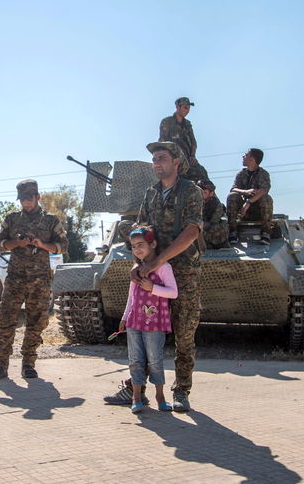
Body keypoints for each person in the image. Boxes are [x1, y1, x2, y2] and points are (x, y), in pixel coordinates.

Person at [103, 141, 202, 412]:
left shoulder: (189, 192)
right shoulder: (151, 193)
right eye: (155, 160)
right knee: (144, 333)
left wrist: (158, 260)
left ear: (176, 161)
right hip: (150, 273)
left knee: (184, 335)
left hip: (182, 272)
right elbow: (141, 230)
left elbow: (193, 230)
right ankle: (136, 390)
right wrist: (139, 262)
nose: (157, 164)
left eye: (162, 159)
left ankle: (181, 392)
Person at [0, 180, 68, 380]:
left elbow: (64, 245)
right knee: (6, 320)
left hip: (40, 279)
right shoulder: (12, 219)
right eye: (22, 199)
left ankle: (28, 363)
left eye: (29, 198)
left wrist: (43, 244)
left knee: (36, 322)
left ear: (37, 197)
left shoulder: (51, 220)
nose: (26, 202)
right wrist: (18, 242)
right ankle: (1, 365)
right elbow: (0, 242)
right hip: (15, 278)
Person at [120, 226, 178, 413]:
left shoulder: (164, 267)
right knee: (135, 359)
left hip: (154, 323)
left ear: (152, 244)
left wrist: (152, 287)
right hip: (134, 321)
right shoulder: (135, 269)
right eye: (133, 246)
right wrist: (125, 316)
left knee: (154, 360)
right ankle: (136, 398)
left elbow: (173, 292)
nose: (137, 249)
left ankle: (160, 396)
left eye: (140, 244)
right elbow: (131, 296)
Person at [227, 148, 273, 245]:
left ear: (252, 159)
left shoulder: (263, 174)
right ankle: (232, 232)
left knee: (266, 198)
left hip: (258, 211)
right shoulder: (241, 174)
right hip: (242, 212)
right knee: (232, 196)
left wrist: (249, 202)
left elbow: (264, 190)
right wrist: (245, 191)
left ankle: (265, 233)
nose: (243, 157)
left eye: (246, 155)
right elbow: (233, 189)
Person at [159, 97, 209, 183]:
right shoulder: (167, 122)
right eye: (185, 108)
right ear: (178, 107)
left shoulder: (187, 124)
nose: (187, 110)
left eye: (189, 108)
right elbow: (162, 142)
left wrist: (192, 156)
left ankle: (208, 195)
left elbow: (193, 142)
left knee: (201, 173)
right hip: (173, 158)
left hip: (187, 159)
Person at [196, 179, 230, 249]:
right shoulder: (192, 202)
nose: (201, 195)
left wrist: (202, 224)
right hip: (195, 228)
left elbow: (213, 222)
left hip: (208, 228)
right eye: (199, 192)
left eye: (204, 192)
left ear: (211, 193)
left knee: (222, 227)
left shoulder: (217, 205)